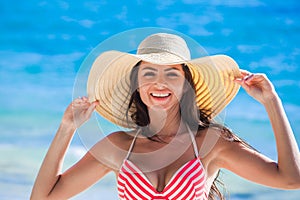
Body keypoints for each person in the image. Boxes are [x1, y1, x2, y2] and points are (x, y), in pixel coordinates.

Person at [31, 33, 300, 200]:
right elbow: (43, 197)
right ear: (137, 84)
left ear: (186, 85)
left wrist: (272, 103)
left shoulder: (210, 143)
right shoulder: (119, 147)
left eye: (172, 74)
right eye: (149, 74)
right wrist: (67, 128)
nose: (160, 84)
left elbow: (291, 179)